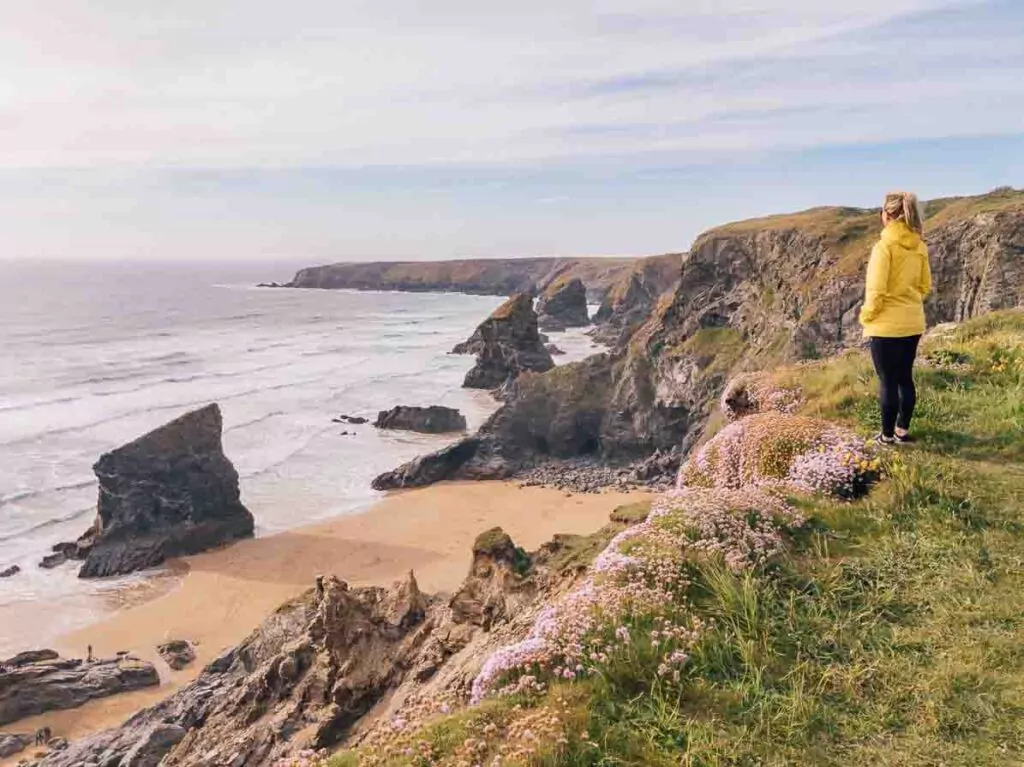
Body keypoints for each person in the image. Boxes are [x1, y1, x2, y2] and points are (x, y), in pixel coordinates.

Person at [859, 190, 932, 445]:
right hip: (912, 323)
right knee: (905, 378)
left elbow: (876, 291)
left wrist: (866, 316)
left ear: (886, 215)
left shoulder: (884, 247)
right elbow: (925, 285)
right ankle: (902, 431)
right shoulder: (919, 245)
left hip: (885, 326)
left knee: (887, 382)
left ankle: (887, 438)